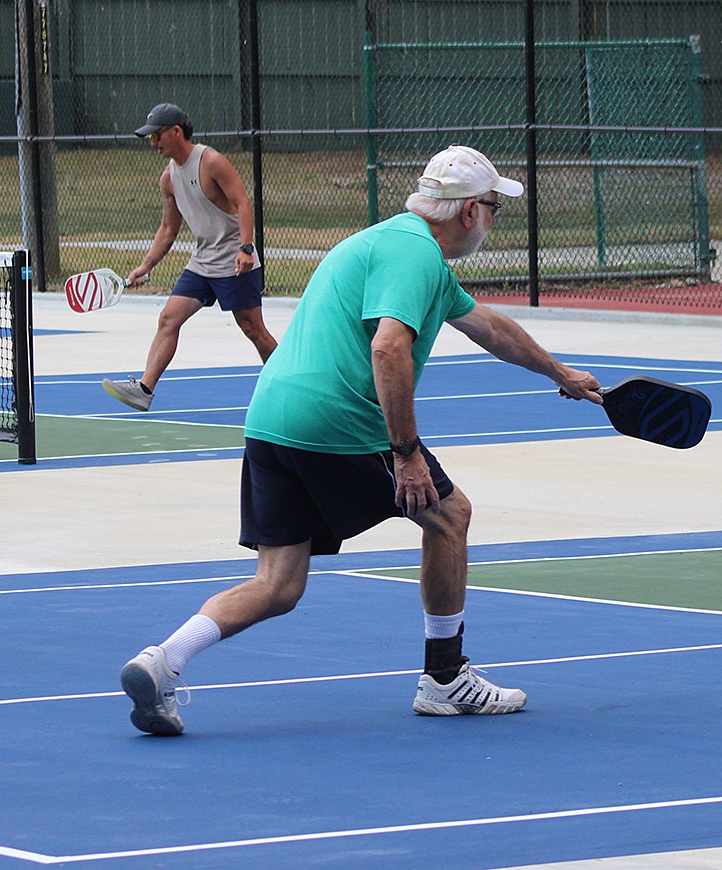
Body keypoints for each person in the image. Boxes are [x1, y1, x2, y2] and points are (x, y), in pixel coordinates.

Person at [118, 145, 604, 735]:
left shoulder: (390, 243)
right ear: (470, 211)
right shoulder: (416, 255)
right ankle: (446, 679)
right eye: (494, 208)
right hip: (337, 421)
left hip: (271, 420)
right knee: (449, 517)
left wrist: (561, 373)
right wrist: (406, 454)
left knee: (279, 584)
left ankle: (163, 661)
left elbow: (491, 328)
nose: (493, 221)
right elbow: (388, 346)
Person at [101, 103, 278, 411]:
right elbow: (169, 228)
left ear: (176, 132)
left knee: (252, 328)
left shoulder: (211, 162)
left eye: (157, 136)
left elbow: (243, 203)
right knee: (168, 319)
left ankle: (287, 381)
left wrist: (246, 247)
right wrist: (146, 265)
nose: (153, 144)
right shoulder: (168, 179)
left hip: (234, 260)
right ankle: (144, 389)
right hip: (202, 262)